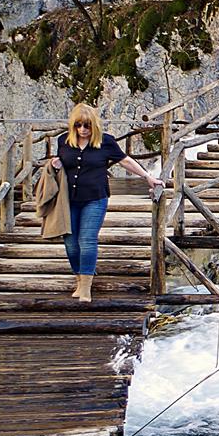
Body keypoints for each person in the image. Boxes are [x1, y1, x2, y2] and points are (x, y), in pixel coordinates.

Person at [50, 102, 164, 302]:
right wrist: (55, 164)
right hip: (68, 200)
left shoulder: (105, 142)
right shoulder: (63, 141)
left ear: (94, 125)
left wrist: (147, 176)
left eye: (87, 125)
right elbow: (62, 162)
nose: (83, 130)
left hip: (95, 198)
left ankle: (86, 287)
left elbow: (125, 160)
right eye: (78, 125)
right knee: (70, 243)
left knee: (87, 240)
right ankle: (79, 278)